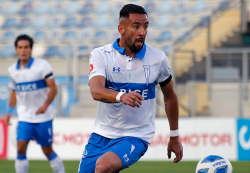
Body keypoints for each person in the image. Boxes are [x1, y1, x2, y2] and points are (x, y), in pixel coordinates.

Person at [78, 4, 183, 173]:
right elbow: (95, 90)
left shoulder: (158, 58)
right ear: (121, 29)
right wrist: (121, 96)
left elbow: (170, 96)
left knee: (104, 166)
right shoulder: (100, 55)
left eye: (145, 26)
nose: (142, 32)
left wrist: (174, 136)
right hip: (101, 135)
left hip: (136, 136)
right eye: (136, 26)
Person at [5, 35, 65, 173]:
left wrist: (44, 106)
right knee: (20, 148)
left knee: (47, 150)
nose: (23, 50)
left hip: (43, 118)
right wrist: (9, 111)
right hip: (25, 117)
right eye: (20, 47)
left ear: (31, 49)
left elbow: (53, 89)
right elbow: (14, 92)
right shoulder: (12, 70)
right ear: (16, 50)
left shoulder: (42, 66)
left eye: (26, 47)